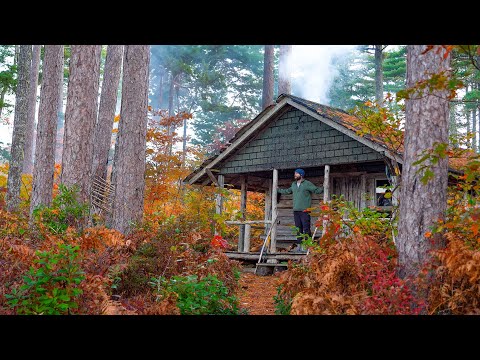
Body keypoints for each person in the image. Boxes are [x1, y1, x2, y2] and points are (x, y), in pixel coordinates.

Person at [278, 168, 324, 252]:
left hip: (305, 210)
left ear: (301, 175)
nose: (295, 175)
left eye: (296, 174)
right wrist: (278, 189)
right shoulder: (293, 184)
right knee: (298, 229)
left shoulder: (307, 184)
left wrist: (324, 187)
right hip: (296, 210)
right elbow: (287, 191)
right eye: (295, 173)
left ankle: (307, 247)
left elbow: (316, 190)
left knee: (306, 229)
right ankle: (299, 247)